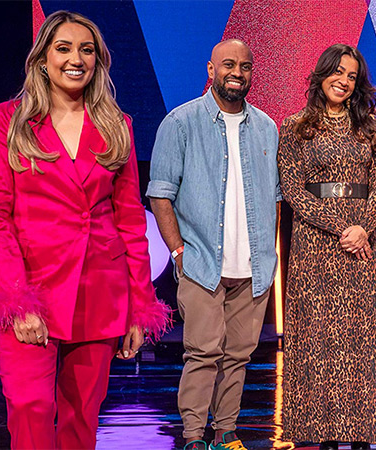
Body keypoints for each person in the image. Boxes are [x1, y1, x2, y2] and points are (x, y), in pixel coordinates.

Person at [0, 10, 171, 449]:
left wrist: (140, 305)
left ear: (98, 61)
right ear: (42, 58)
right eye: (63, 48)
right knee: (31, 409)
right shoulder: (7, 122)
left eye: (86, 50)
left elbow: (128, 222)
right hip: (32, 291)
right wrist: (16, 299)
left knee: (82, 418)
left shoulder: (116, 125)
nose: (75, 58)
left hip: (99, 293)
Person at [147, 39, 280, 450]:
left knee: (238, 356)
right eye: (228, 64)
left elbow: (274, 197)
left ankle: (226, 433)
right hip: (201, 262)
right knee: (203, 353)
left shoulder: (267, 127)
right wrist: (178, 252)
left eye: (245, 65)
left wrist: (265, 254)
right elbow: (160, 193)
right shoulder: (181, 122)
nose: (237, 72)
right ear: (211, 70)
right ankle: (192, 437)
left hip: (253, 267)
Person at [277, 43, 376, 450]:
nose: (343, 80)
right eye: (337, 72)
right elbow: (292, 190)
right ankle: (321, 435)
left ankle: (361, 435)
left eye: (351, 76)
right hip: (315, 248)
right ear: (321, 75)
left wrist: (363, 228)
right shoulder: (295, 126)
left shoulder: (369, 128)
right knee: (318, 341)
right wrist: (343, 226)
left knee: (361, 341)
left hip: (361, 248)